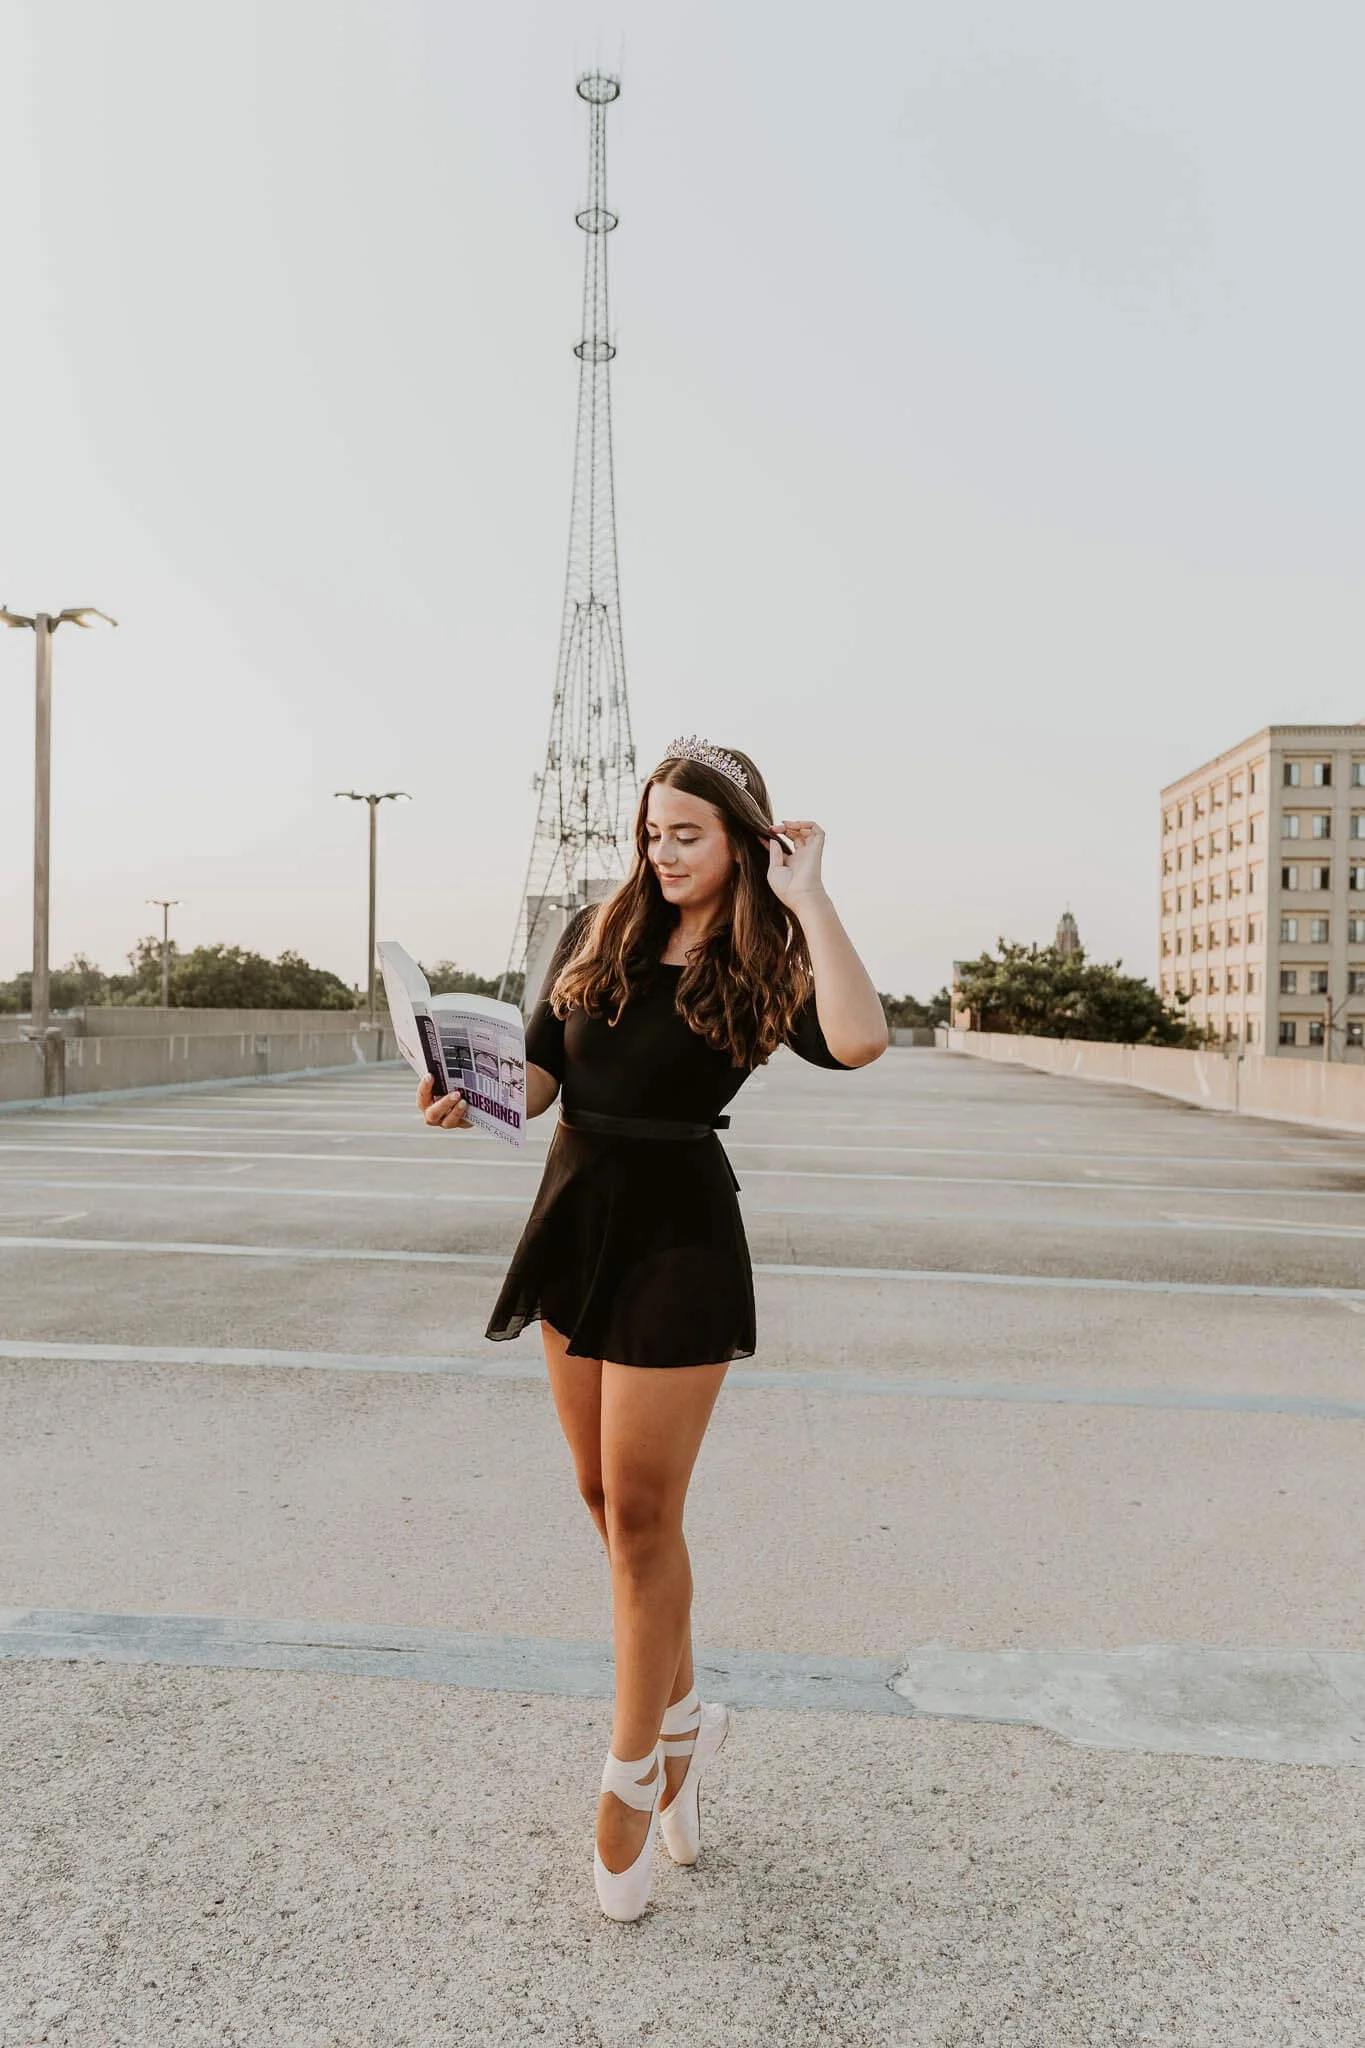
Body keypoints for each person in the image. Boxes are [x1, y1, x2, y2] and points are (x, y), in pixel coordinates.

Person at [415, 738, 888, 1920]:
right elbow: (536, 1081)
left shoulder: (769, 948)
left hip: (680, 1229)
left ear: (741, 838)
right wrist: (459, 1094)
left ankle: (628, 1778)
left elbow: (863, 1035)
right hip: (576, 1211)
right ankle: (687, 1722)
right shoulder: (596, 928)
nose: (661, 852)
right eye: (652, 832)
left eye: (687, 833)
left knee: (641, 1516)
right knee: (600, 1500)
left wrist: (810, 895)